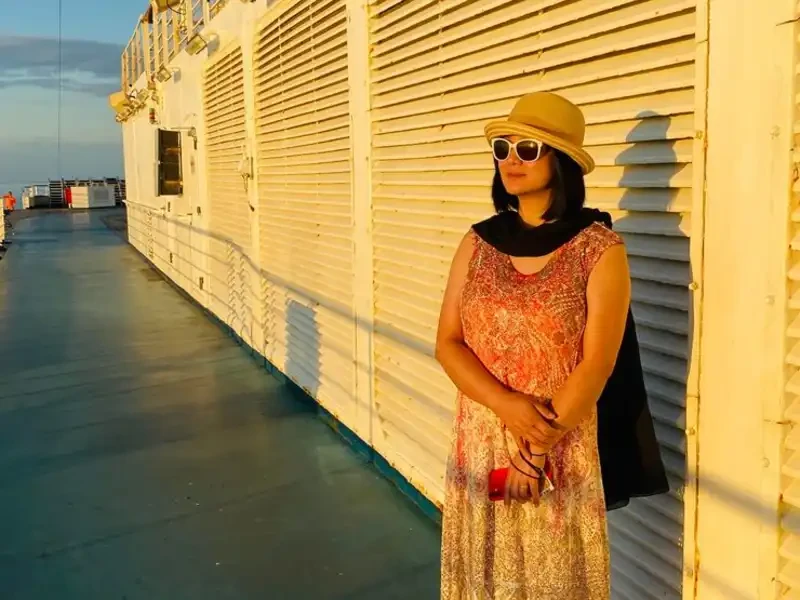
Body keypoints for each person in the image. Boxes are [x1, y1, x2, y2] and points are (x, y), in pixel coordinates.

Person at [436, 92, 666, 599]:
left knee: (551, 577)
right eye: (502, 148)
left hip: (557, 442)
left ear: (561, 161)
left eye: (528, 149)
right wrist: (505, 404)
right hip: (481, 439)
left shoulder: (598, 248)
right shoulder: (477, 242)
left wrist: (534, 450)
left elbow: (598, 362)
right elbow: (448, 343)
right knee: (485, 574)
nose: (510, 160)